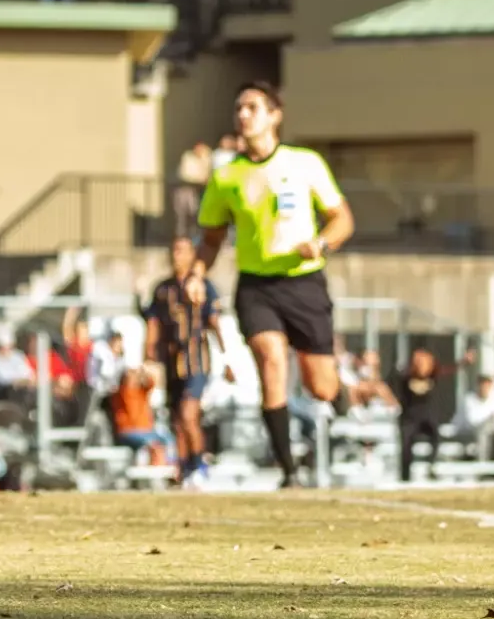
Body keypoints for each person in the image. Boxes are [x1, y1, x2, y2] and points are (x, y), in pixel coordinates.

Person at [191, 82, 353, 487]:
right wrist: (196, 274)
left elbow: (342, 219)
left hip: (303, 282)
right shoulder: (226, 176)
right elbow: (211, 239)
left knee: (319, 383)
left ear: (274, 115)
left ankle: (339, 394)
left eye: (252, 107)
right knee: (270, 358)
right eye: (239, 108)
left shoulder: (305, 163)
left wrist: (321, 242)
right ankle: (289, 471)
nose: (243, 115)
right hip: (256, 285)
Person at [142, 236, 231, 488]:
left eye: (182, 250)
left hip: (196, 359)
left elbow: (214, 322)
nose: (176, 255)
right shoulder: (162, 290)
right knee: (177, 418)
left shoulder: (203, 287)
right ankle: (183, 467)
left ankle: (199, 464)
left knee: (189, 412)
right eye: (174, 250)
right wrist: (149, 357)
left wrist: (227, 358)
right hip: (171, 361)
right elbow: (153, 325)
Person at [393, 348, 460, 481]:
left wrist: (464, 362)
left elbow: (448, 370)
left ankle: (431, 467)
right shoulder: (406, 378)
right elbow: (392, 381)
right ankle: (405, 476)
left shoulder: (432, 377)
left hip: (426, 418)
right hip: (409, 419)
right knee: (406, 446)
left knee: (436, 437)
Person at [451, 374, 494, 462]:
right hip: (469, 430)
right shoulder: (469, 400)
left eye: (488, 386)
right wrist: (489, 420)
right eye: (483, 386)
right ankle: (482, 464)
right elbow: (472, 421)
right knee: (483, 433)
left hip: (491, 427)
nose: (485, 389)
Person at [173, 142, 212, 238]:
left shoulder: (205, 158)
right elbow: (187, 174)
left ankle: (195, 237)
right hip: (185, 189)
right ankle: (181, 237)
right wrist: (201, 178)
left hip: (198, 190)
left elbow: (208, 172)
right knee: (182, 216)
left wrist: (205, 158)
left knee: (196, 214)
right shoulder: (188, 158)